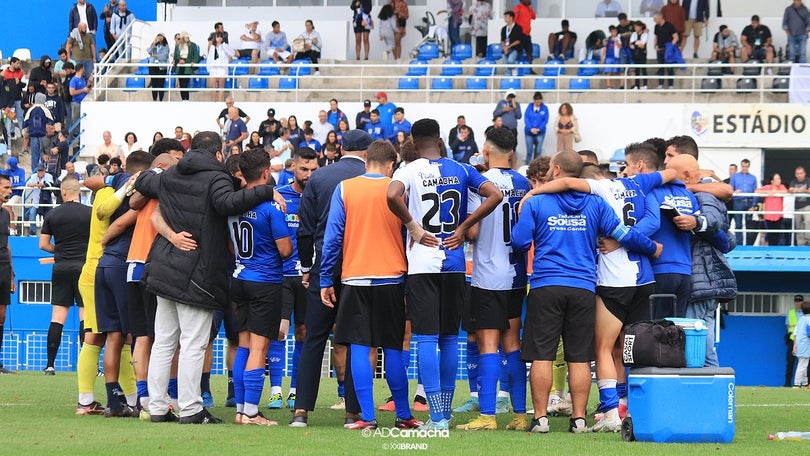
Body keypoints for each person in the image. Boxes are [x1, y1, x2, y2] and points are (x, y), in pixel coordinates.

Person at [511, 150, 660, 434]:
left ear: (555, 170)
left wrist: (525, 217)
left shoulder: (538, 201)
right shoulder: (596, 203)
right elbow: (622, 234)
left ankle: (541, 419)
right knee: (579, 356)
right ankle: (579, 419)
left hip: (546, 284)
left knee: (542, 355)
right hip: (583, 287)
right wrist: (653, 248)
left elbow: (519, 242)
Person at [134, 131, 277, 424]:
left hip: (164, 267)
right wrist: (265, 191)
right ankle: (190, 408)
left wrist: (157, 169)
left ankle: (158, 408)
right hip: (197, 271)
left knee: (164, 341)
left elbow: (145, 181)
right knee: (193, 343)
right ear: (218, 154)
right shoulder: (216, 178)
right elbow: (227, 204)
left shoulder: (172, 174)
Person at [386, 118, 502, 430]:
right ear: (440, 139)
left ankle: (436, 417)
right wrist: (463, 227)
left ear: (412, 139)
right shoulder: (462, 169)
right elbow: (494, 194)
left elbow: (392, 196)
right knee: (451, 339)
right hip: (454, 264)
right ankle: (444, 413)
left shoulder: (408, 170)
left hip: (423, 262)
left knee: (426, 338)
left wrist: (412, 225)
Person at [320, 140, 420, 430]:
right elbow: (409, 235)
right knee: (392, 348)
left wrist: (327, 278)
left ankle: (367, 417)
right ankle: (404, 415)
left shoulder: (346, 188)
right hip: (392, 277)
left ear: (366, 160)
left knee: (360, 347)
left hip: (355, 277)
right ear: (391, 164)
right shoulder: (398, 189)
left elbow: (332, 239)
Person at [290, 130, 372, 428]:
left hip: (324, 264)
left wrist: (307, 268)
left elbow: (305, 230)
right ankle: (353, 410)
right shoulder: (375, 178)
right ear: (367, 151)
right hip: (360, 267)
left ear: (341, 148)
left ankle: (301, 410)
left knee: (314, 338)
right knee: (356, 340)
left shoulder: (321, 177)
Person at [455, 128, 530, 432]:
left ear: (486, 151)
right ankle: (520, 414)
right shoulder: (524, 184)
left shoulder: (481, 185)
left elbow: (472, 233)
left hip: (487, 274)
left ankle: (487, 415)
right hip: (516, 273)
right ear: (512, 151)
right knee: (513, 345)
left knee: (488, 344)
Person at [228, 149, 292, 426]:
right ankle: (252, 412)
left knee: (243, 345)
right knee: (259, 348)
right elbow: (286, 250)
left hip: (238, 277)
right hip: (264, 282)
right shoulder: (271, 208)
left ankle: (242, 409)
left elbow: (231, 244)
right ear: (266, 173)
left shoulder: (233, 205)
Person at [667, 154, 737, 368]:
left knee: (695, 341)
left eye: (670, 161)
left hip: (701, 280)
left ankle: (711, 390)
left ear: (687, 174)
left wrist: (695, 222)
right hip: (704, 280)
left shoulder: (703, 195)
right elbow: (728, 240)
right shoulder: (702, 190)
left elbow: (719, 229)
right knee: (701, 341)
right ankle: (713, 389)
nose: (667, 175)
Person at [271, 148, 319, 408]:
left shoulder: (321, 196)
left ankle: (294, 390)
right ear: (293, 168)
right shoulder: (281, 195)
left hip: (308, 277)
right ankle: (276, 390)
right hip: (281, 275)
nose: (309, 174)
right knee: (279, 333)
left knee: (303, 333)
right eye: (304, 169)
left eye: (313, 170)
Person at [38, 178, 91, 375]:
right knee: (85, 316)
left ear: (63, 192)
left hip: (61, 267)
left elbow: (43, 245)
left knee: (58, 316)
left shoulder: (53, 214)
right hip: (84, 268)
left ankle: (50, 365)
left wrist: (59, 251)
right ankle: (89, 367)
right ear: (79, 192)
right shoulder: (90, 213)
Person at [0, 175, 16, 374]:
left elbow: (7, 246)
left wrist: (11, 274)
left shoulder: (6, 214)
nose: (10, 191)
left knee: (1, 315)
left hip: (3, 267)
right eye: (6, 187)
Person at [730, 158, 758, 245]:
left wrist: (753, 205)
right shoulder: (735, 177)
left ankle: (749, 244)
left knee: (749, 224)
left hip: (749, 202)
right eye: (743, 166)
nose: (744, 168)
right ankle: (739, 244)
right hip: (738, 202)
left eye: (746, 167)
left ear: (748, 166)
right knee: (738, 224)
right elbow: (730, 189)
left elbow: (755, 191)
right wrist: (734, 192)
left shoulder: (753, 178)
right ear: (741, 166)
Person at [756, 173, 789, 246]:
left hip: (778, 215)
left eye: (779, 178)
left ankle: (775, 249)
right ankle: (770, 249)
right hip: (768, 215)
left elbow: (786, 191)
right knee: (770, 233)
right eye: (777, 179)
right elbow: (757, 191)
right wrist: (767, 192)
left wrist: (776, 192)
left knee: (777, 234)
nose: (779, 180)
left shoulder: (781, 187)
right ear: (772, 181)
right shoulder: (767, 187)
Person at [206, 33, 235, 102]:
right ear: (215, 38)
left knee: (221, 86)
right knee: (213, 86)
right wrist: (208, 68)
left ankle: (220, 102)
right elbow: (209, 58)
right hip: (213, 68)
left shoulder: (225, 46)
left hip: (222, 68)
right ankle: (213, 101)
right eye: (217, 37)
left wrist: (225, 47)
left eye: (220, 37)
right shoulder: (212, 47)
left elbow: (232, 53)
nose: (219, 38)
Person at [654, 12, 679, 89]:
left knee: (669, 67)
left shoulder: (669, 26)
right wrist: (655, 45)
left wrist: (670, 47)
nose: (654, 21)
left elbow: (676, 37)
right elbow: (656, 37)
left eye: (655, 19)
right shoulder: (656, 26)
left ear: (659, 18)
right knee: (660, 67)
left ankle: (670, 85)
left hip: (668, 50)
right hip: (660, 50)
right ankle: (660, 84)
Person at [173, 32, 200, 102]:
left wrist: (193, 62)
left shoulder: (193, 45)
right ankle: (183, 99)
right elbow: (176, 56)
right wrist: (178, 61)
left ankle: (186, 99)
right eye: (186, 37)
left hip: (187, 65)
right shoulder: (177, 46)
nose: (188, 38)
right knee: (181, 84)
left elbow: (196, 55)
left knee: (185, 83)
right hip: (180, 66)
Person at [524, 92, 549, 165]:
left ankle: (537, 167)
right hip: (529, 132)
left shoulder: (545, 108)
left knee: (538, 151)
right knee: (529, 151)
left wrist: (539, 129)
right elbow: (526, 118)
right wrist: (530, 128)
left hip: (540, 132)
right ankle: (527, 167)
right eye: (536, 101)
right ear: (534, 100)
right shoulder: (529, 107)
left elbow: (545, 120)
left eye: (539, 101)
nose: (538, 103)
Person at [146, 33, 170, 102]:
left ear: (163, 38)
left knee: (160, 84)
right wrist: (154, 43)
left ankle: (161, 100)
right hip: (153, 65)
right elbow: (149, 51)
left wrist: (155, 55)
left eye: (161, 36)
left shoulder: (166, 46)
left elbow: (164, 56)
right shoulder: (154, 45)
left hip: (162, 66)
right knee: (154, 84)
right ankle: (154, 99)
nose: (159, 37)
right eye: (158, 36)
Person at [790, 166, 810, 245]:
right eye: (798, 174)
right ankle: (800, 245)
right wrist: (793, 190)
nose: (799, 175)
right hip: (796, 207)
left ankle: (808, 241)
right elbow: (790, 190)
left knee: (808, 222)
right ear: (795, 174)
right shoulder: (793, 181)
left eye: (801, 173)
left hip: (807, 206)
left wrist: (804, 190)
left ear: (804, 174)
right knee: (798, 226)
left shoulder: (808, 180)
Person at [500, 11, 523, 77]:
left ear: (511, 17)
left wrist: (509, 47)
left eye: (506, 17)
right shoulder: (504, 29)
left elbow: (518, 40)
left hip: (515, 48)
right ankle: (508, 76)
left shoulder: (518, 28)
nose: (505, 18)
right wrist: (504, 47)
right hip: (505, 49)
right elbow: (502, 40)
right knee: (506, 63)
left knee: (510, 60)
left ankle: (514, 68)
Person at [794, 301, 810, 387]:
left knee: (804, 364)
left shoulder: (801, 319)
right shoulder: (809, 320)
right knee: (802, 366)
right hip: (806, 345)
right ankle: (796, 384)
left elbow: (795, 332)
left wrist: (795, 345)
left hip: (800, 344)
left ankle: (805, 384)